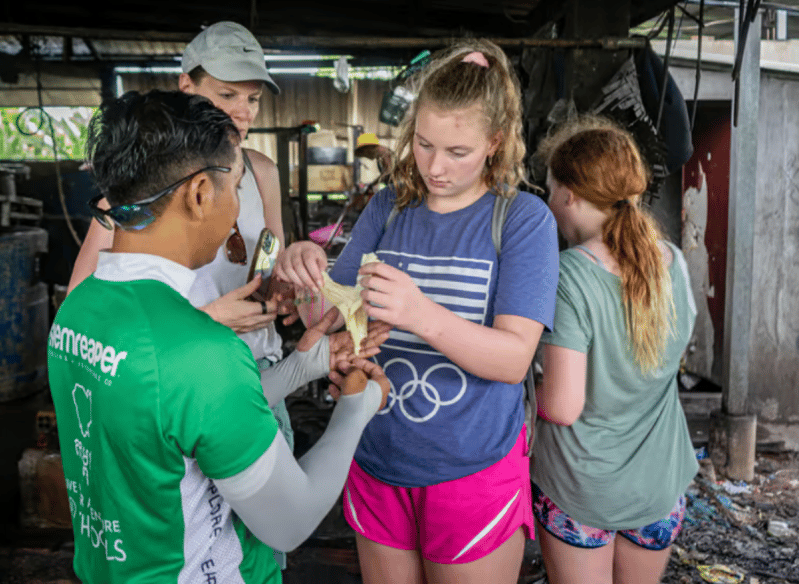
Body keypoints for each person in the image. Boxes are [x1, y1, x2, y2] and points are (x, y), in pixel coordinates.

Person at [49, 90, 391, 583]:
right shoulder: (201, 351)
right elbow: (289, 523)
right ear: (200, 194)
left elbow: (173, 417)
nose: (236, 213)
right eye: (235, 190)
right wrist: (355, 411)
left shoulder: (78, 312)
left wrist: (299, 368)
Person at [274, 41, 560, 584]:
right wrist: (301, 268)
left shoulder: (523, 220)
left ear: (495, 143)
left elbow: (513, 360)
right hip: (376, 456)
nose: (434, 166)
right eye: (424, 144)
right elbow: (327, 315)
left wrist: (420, 313)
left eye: (457, 151)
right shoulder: (389, 206)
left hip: (470, 470)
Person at [68, 21, 298, 448]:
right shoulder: (144, 188)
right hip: (179, 375)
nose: (243, 111)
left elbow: (270, 262)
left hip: (260, 367)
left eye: (253, 98)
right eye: (227, 94)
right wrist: (205, 322)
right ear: (186, 88)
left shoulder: (263, 172)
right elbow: (81, 311)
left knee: (261, 504)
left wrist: (288, 286)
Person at [531, 116, 698, 584]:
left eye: (550, 190)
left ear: (569, 195)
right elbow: (673, 355)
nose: (549, 203)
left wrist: (519, 389)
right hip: (659, 487)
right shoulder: (673, 262)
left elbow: (563, 407)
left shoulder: (570, 275)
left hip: (585, 490)